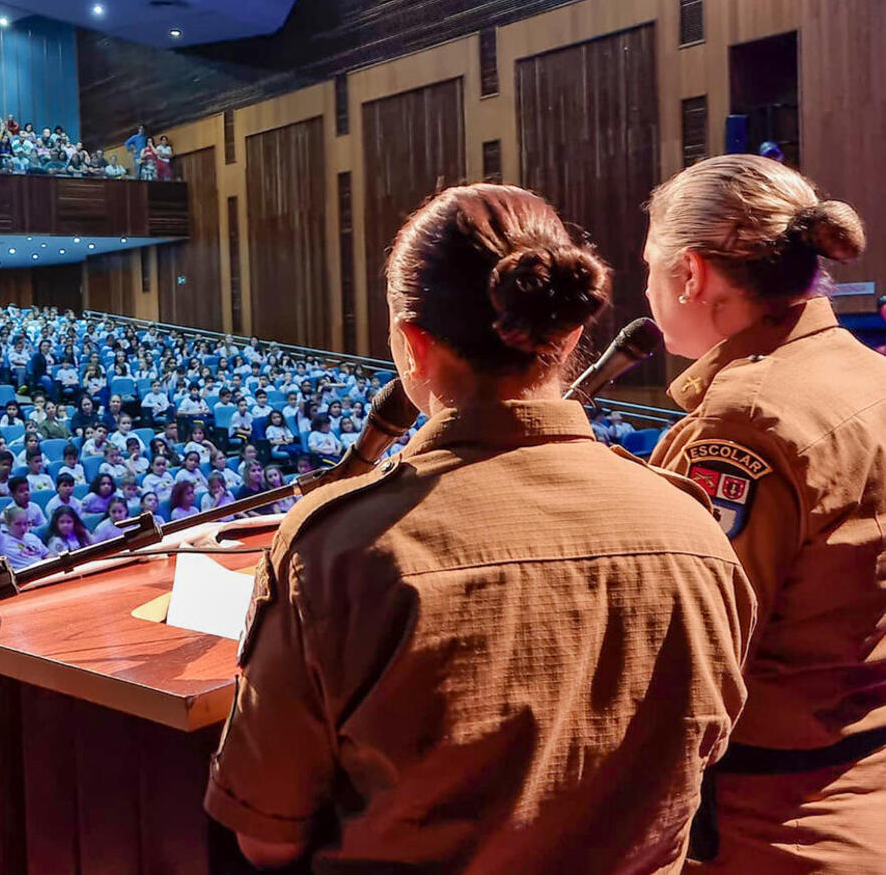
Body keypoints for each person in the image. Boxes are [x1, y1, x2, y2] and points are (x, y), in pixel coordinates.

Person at [204, 183, 755, 871]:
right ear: (573, 331)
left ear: (411, 344)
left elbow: (267, 837)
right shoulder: (691, 526)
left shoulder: (340, 547)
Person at [643, 155, 886, 870]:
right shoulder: (869, 374)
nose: (649, 292)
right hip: (859, 788)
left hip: (772, 828)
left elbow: (688, 661)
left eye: (651, 269)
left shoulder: (743, 422)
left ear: (690, 274)